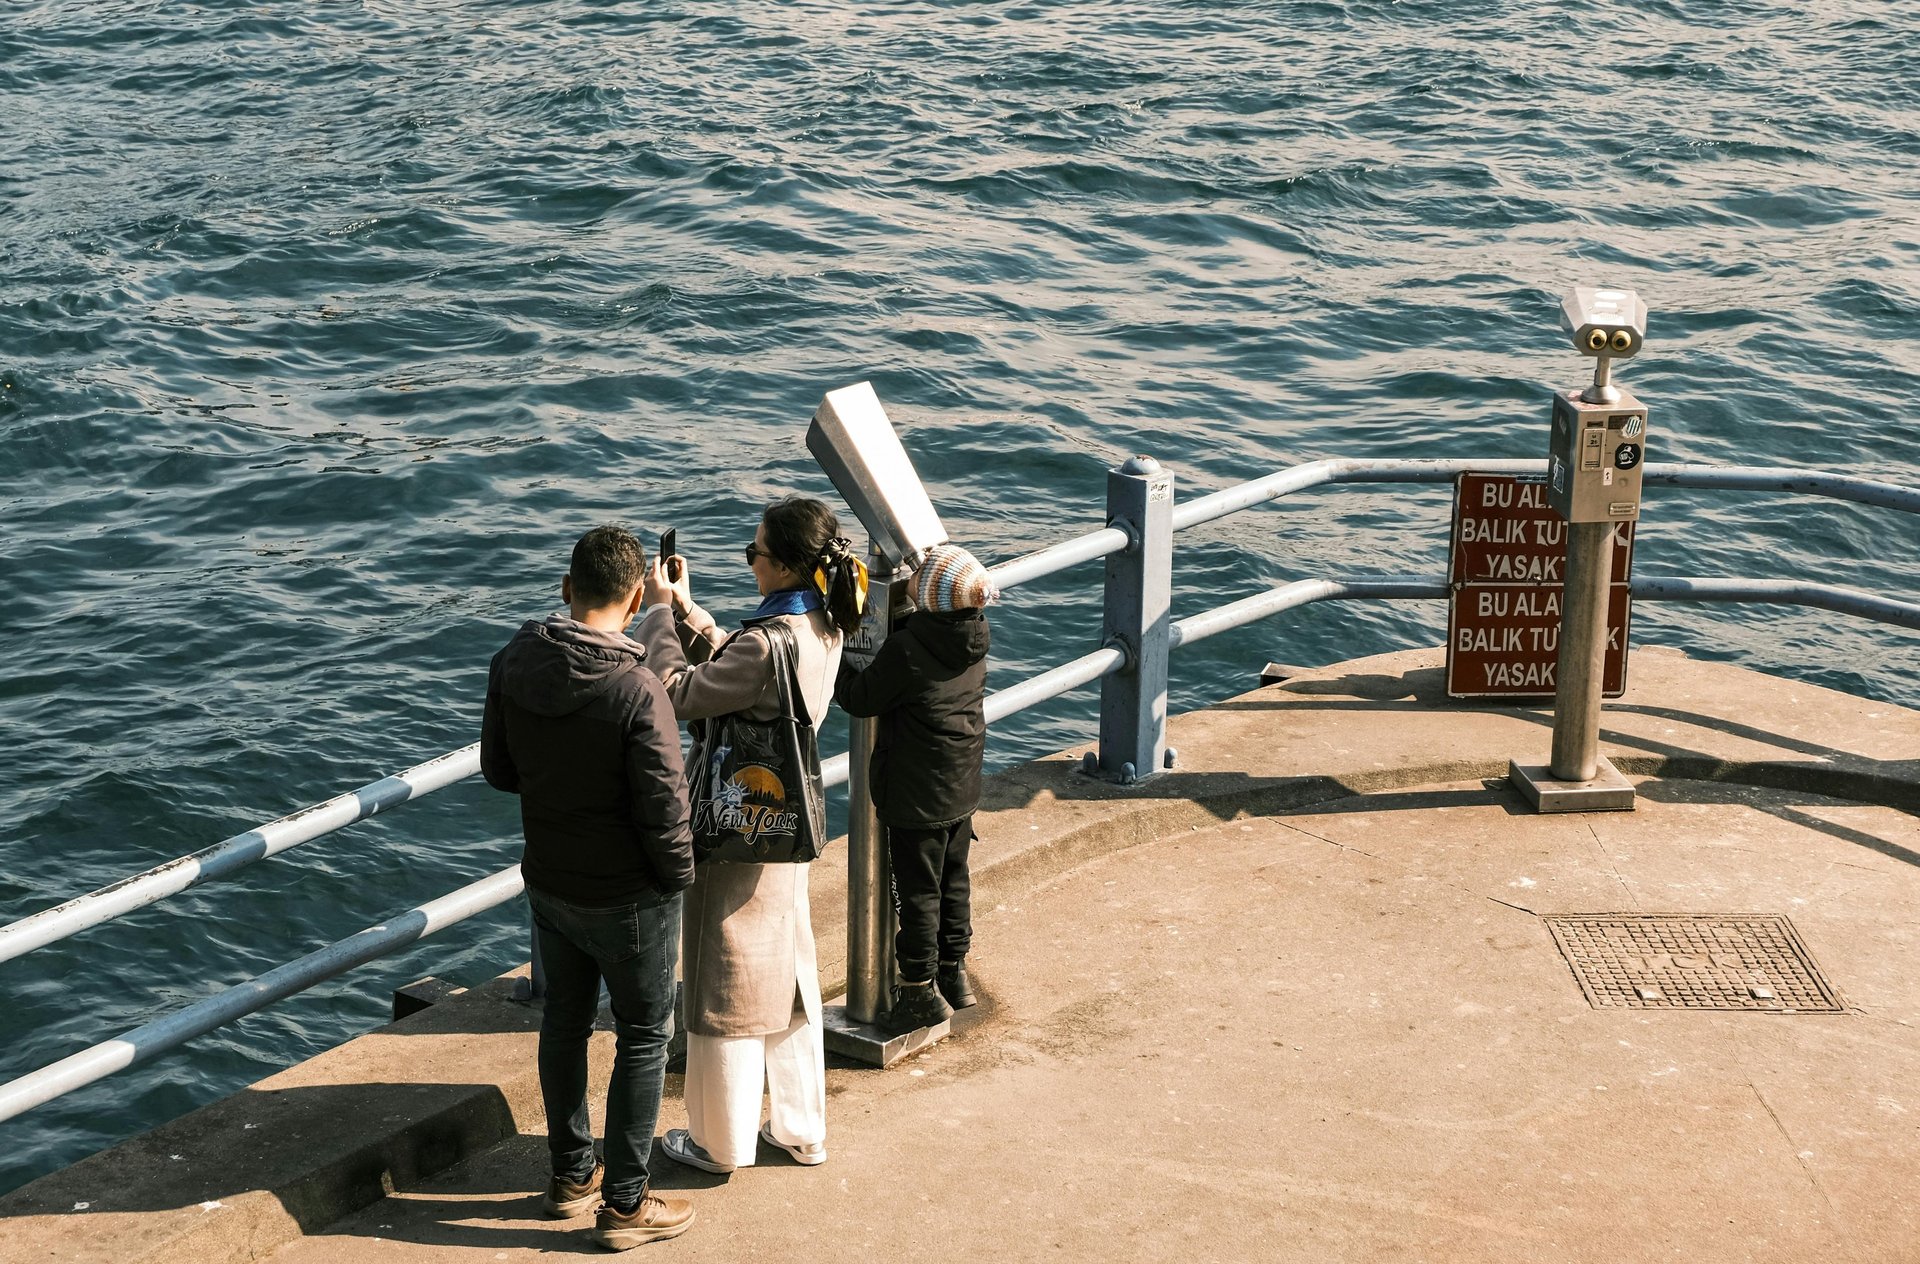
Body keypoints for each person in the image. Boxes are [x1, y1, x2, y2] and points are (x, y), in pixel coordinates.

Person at [480, 524, 697, 1251]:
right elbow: (666, 809)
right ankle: (626, 1205)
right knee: (642, 1035)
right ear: (638, 599)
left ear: (567, 589)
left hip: (550, 880)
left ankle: (572, 1173)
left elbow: (499, 771)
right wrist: (679, 881)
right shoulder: (637, 690)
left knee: (565, 1021)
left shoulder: (513, 660)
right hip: (630, 896)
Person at [633, 495, 863, 1175]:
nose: (751, 561)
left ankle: (719, 1141)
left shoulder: (766, 644)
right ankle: (801, 1127)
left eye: (755, 553)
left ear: (786, 564)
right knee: (789, 975)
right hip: (786, 821)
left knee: (723, 974)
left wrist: (653, 613)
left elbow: (676, 689)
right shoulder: (822, 625)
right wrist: (685, 607)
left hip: (737, 824)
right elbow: (739, 671)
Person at [834, 542, 994, 1035]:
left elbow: (859, 699)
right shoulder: (973, 636)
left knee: (917, 893)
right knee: (953, 880)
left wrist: (840, 642)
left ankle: (919, 990)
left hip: (915, 794)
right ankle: (955, 973)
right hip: (960, 785)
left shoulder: (905, 649)